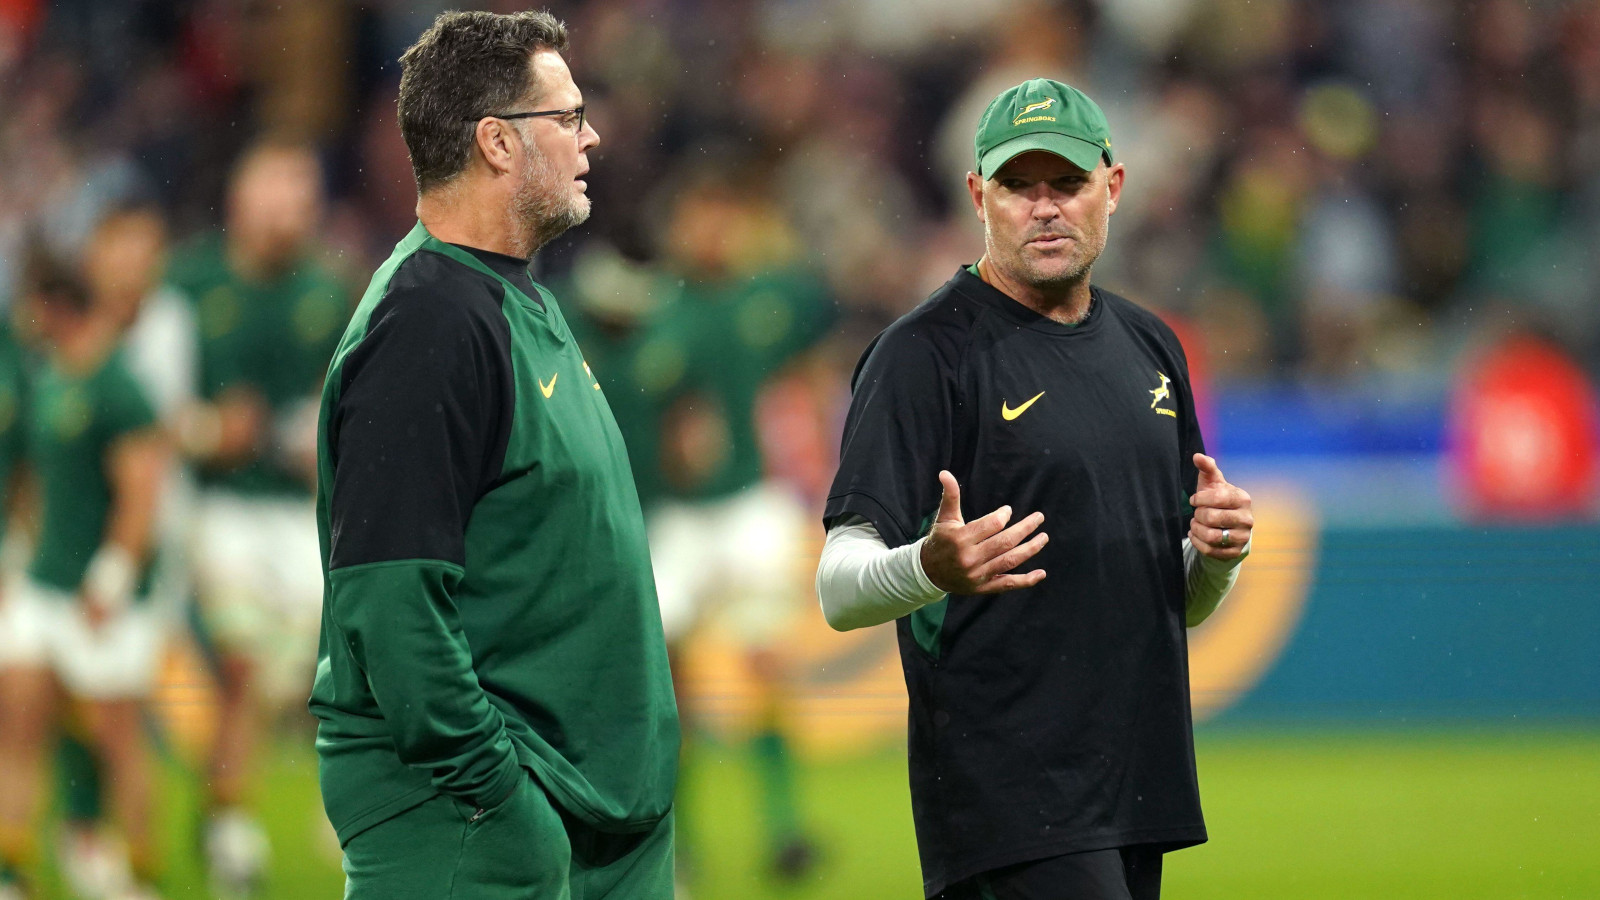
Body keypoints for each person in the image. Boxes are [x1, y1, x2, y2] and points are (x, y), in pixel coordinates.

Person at [814, 79, 1255, 900]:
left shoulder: (1152, 348)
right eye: (1019, 186)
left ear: (1113, 188)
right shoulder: (923, 356)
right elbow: (837, 587)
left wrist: (1218, 556)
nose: (1045, 208)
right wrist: (927, 569)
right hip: (1008, 799)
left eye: (1068, 184)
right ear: (979, 196)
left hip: (1135, 785)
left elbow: (1176, 602)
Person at [310, 10, 678, 899]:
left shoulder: (512, 298)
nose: (593, 137)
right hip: (485, 820)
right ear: (497, 143)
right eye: (569, 116)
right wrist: (498, 797)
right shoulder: (428, 322)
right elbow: (391, 600)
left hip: (591, 808)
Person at [163, 138, 349, 898]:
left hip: (295, 516)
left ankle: (242, 813)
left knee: (305, 678)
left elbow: (349, 402)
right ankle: (232, 834)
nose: (291, 214)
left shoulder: (327, 290)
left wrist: (321, 438)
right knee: (244, 664)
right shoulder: (189, 285)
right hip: (216, 509)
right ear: (242, 197)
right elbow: (152, 403)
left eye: (303, 198)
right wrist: (212, 431)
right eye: (278, 194)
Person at [0, 250, 171, 900]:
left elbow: (141, 492)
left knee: (117, 738)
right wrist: (19, 558)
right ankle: (12, 871)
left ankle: (141, 875)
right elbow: (36, 486)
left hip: (103, 600)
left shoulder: (117, 386)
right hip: (44, 587)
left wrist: (110, 579)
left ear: (53, 306)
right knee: (17, 722)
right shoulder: (50, 376)